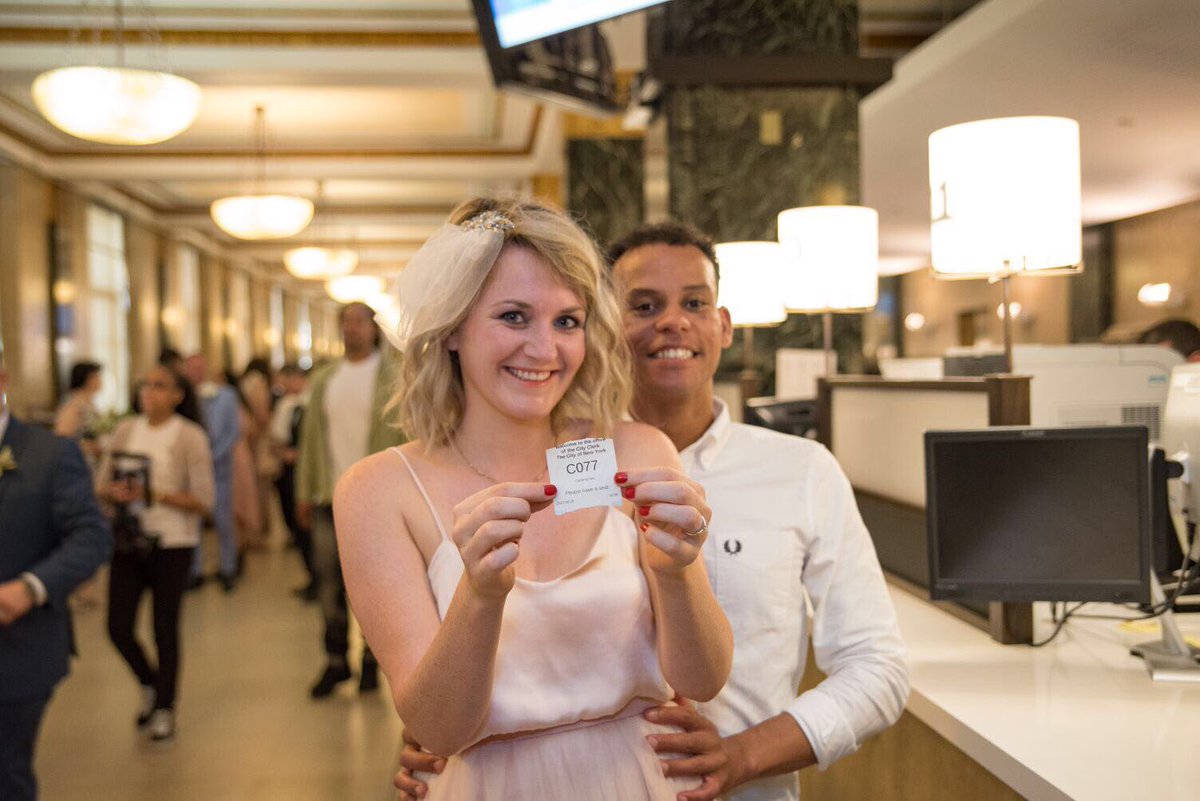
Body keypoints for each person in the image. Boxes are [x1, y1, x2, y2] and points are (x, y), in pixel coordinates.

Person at [397, 220, 909, 801]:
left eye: (695, 302)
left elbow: (878, 666)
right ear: (609, 329)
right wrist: (445, 737)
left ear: (723, 326)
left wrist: (744, 754)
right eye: (643, 305)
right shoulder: (558, 465)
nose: (672, 321)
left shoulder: (802, 470)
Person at [338, 198, 733, 800]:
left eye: (567, 321)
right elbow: (437, 727)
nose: (545, 351)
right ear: (451, 329)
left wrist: (676, 573)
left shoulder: (637, 451)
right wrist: (480, 595)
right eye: (514, 317)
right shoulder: (379, 491)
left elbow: (701, 680)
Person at [0, 353, 112, 801]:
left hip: (16, 651)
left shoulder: (48, 454)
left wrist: (30, 588)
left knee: (7, 774)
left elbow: (91, 537)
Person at [96, 365, 214, 743]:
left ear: (178, 395)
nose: (149, 392)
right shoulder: (126, 430)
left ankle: (165, 706)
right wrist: (115, 493)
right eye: (145, 385)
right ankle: (149, 682)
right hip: (130, 540)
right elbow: (102, 483)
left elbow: (205, 500)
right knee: (117, 626)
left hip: (171, 542)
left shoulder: (189, 436)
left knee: (164, 627)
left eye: (159, 386)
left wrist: (155, 495)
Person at [296, 302, 406, 698]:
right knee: (328, 580)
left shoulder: (393, 377)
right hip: (329, 495)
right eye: (345, 322)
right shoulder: (325, 379)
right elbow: (310, 442)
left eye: (358, 321)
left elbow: (407, 435)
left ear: (373, 329)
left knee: (378, 584)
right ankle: (336, 660)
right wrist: (303, 492)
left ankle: (374, 663)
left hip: (378, 498)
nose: (351, 329)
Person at [182, 353, 241, 591]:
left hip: (219, 468)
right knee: (192, 521)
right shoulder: (184, 397)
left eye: (199, 367)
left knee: (223, 520)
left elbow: (233, 432)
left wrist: (212, 456)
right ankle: (195, 570)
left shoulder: (226, 396)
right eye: (191, 368)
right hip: (192, 472)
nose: (195, 372)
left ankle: (228, 567)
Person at [269, 363, 315, 599]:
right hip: (288, 471)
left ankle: (318, 577)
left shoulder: (310, 404)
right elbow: (276, 438)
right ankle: (310, 573)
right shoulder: (286, 404)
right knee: (293, 521)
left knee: (308, 525)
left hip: (305, 470)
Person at [54, 360, 103, 468]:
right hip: (80, 463)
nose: (100, 380)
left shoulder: (89, 403)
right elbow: (62, 440)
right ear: (86, 379)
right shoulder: (74, 404)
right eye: (96, 376)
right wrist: (90, 447)